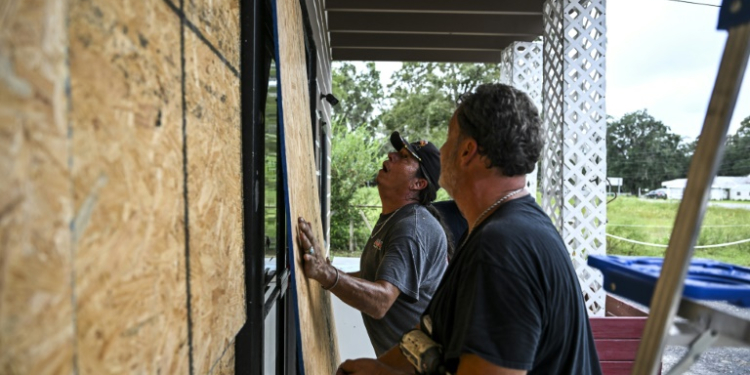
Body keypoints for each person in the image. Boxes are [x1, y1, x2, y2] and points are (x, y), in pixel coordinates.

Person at [336, 83, 603, 375]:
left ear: (466, 151)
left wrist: (381, 374)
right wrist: (380, 365)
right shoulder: (498, 228)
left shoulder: (502, 247)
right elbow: (429, 338)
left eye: (449, 139)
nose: (444, 150)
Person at [298, 131, 450, 356]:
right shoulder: (398, 218)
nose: (391, 156)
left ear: (419, 183)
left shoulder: (412, 228)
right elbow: (372, 276)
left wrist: (325, 273)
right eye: (397, 152)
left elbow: (381, 301)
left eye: (405, 157)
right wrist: (325, 269)